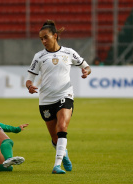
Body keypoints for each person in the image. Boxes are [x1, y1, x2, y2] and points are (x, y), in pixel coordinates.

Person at [25, 20, 91, 174]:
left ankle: (57, 165)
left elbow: (86, 66)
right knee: (55, 138)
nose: (43, 41)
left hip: (65, 94)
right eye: (41, 39)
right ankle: (64, 154)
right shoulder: (39, 56)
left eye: (46, 37)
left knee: (62, 127)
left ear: (55, 36)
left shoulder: (69, 52)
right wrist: (29, 86)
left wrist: (86, 71)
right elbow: (29, 78)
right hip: (46, 100)